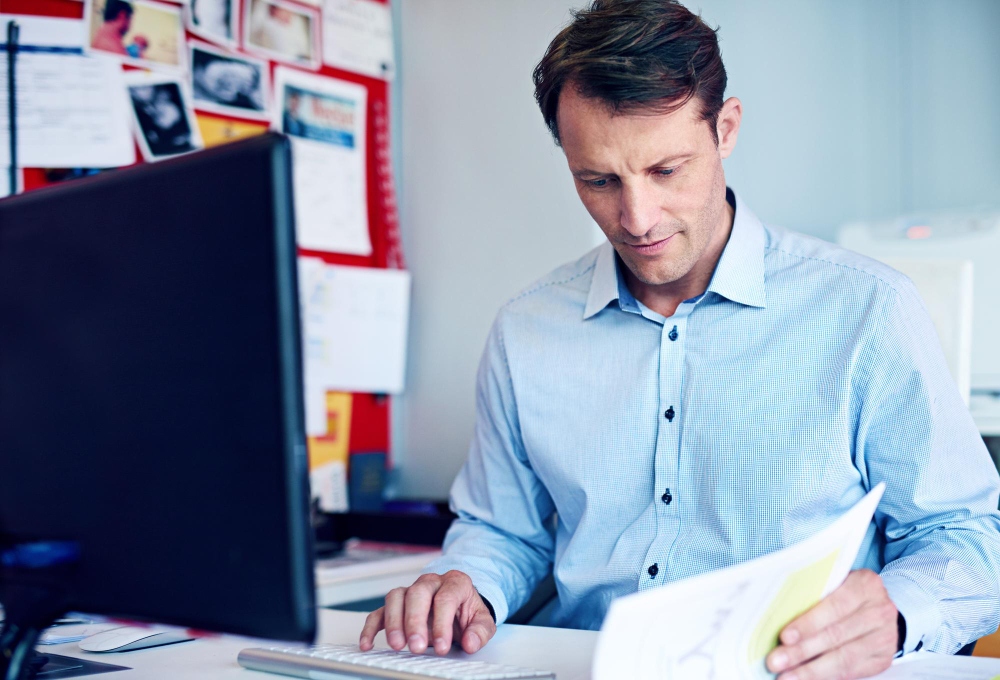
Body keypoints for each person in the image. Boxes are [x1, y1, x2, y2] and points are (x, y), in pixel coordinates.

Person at [359, 1, 1000, 679]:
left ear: (726, 129)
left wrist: (896, 612)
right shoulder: (527, 331)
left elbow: (966, 539)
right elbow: (500, 532)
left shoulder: (868, 310)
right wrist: (466, 584)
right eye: (598, 180)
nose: (636, 218)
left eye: (666, 171)